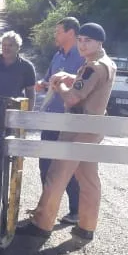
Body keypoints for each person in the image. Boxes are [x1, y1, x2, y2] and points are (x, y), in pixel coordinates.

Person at [25, 22, 116, 243]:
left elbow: (73, 98)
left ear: (99, 43)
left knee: (56, 175)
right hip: (94, 127)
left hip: (77, 127)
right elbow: (88, 87)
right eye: (81, 40)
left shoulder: (92, 67)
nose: (82, 45)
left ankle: (42, 224)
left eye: (88, 41)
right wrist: (71, 78)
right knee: (88, 178)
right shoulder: (108, 63)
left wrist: (59, 86)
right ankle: (86, 226)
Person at [36, 17, 86, 225]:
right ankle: (47, 209)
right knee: (45, 164)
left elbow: (85, 84)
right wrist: (43, 84)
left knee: (69, 167)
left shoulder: (83, 58)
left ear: (71, 33)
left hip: (69, 120)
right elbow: (49, 80)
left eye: (58, 31)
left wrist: (67, 79)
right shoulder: (56, 56)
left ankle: (75, 211)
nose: (55, 35)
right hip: (51, 118)